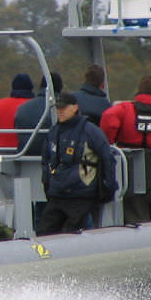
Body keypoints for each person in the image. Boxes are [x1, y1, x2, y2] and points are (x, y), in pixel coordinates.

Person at [100, 75, 151, 222]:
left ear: (139, 91)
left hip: (131, 173)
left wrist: (109, 141)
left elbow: (108, 118)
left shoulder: (123, 111)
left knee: (136, 219)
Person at [36, 92, 118, 235]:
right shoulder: (54, 132)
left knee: (72, 233)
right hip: (57, 194)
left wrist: (107, 188)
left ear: (75, 108)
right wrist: (48, 184)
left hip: (81, 194)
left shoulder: (91, 131)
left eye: (63, 108)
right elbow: (46, 160)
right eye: (58, 108)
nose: (59, 111)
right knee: (43, 233)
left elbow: (107, 159)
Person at [13, 71, 63, 155]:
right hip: (52, 158)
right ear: (60, 88)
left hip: (24, 156)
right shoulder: (62, 109)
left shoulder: (21, 108)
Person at [0, 72, 34, 148]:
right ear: (30, 88)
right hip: (27, 152)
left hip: (2, 152)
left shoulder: (0, 104)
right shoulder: (33, 105)